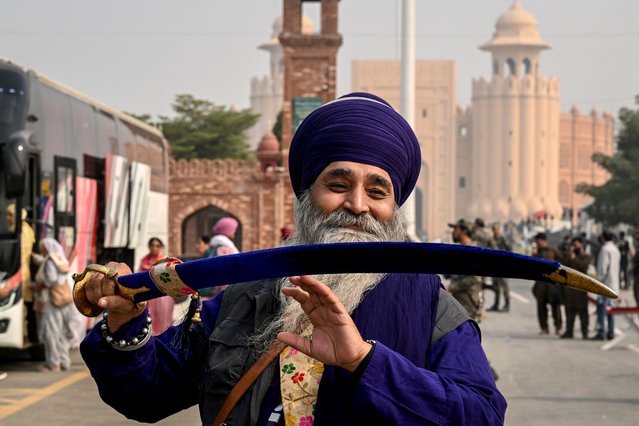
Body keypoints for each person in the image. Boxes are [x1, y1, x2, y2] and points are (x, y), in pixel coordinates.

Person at [79, 92, 506, 425]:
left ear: (394, 207)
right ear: (305, 195)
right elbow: (147, 395)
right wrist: (123, 321)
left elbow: (481, 415)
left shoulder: (431, 307)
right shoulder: (250, 291)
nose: (357, 204)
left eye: (377, 192)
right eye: (337, 184)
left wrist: (364, 360)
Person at [33, 238, 79, 372]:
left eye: (42, 248)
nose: (41, 251)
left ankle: (53, 364)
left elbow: (50, 280)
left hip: (52, 300)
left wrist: (37, 286)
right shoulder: (60, 258)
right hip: (64, 298)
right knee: (62, 332)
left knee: (51, 332)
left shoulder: (49, 261)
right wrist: (33, 256)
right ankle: (64, 361)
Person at [447, 219, 482, 321]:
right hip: (458, 301)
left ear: (465, 231)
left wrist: (452, 287)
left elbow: (474, 278)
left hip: (468, 303)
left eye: (455, 229)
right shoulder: (459, 250)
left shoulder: (473, 250)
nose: (453, 232)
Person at [138, 237, 174, 335]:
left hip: (163, 295)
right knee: (149, 321)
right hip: (148, 295)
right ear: (149, 247)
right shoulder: (144, 261)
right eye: (152, 245)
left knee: (163, 320)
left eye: (157, 246)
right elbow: (139, 278)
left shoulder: (165, 261)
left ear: (160, 247)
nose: (154, 248)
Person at [531, 232, 563, 336]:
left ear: (543, 240)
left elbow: (562, 263)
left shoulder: (553, 251)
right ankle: (544, 328)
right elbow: (532, 265)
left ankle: (558, 327)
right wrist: (534, 253)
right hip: (540, 284)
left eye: (538, 241)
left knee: (555, 307)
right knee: (541, 307)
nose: (537, 243)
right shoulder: (537, 252)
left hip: (552, 283)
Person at [591, 230, 620, 340]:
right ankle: (611, 332)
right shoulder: (615, 249)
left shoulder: (605, 249)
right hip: (614, 284)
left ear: (603, 238)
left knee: (602, 308)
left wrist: (598, 282)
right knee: (610, 309)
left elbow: (603, 268)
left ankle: (602, 331)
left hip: (605, 284)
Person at [561, 237, 592, 339]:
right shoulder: (568, 256)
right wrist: (569, 258)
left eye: (577, 244)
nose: (575, 246)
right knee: (569, 312)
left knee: (583, 312)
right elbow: (563, 268)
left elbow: (583, 267)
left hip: (581, 289)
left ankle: (585, 332)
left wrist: (574, 258)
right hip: (569, 290)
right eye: (573, 244)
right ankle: (569, 331)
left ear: (582, 245)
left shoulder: (586, 257)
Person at [489, 222, 512, 312]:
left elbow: (509, 249)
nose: (494, 231)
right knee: (496, 287)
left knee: (505, 286)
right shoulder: (492, 239)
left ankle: (507, 305)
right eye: (493, 229)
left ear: (499, 229)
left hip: (503, 266)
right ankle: (496, 304)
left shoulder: (502, 238)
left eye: (496, 229)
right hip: (494, 266)